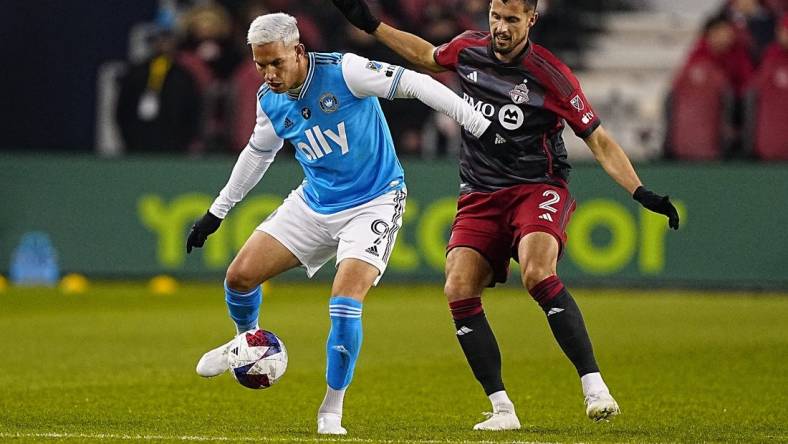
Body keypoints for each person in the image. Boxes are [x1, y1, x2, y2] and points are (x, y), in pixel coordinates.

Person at [332, 0, 680, 430]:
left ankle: (595, 387)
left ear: (531, 20)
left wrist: (640, 191)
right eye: (496, 17)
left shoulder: (552, 76)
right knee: (457, 287)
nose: (500, 27)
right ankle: (502, 409)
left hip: (537, 187)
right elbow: (426, 55)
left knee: (537, 274)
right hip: (480, 193)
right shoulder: (468, 49)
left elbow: (599, 140)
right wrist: (372, 25)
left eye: (511, 20)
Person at [185, 12, 504, 435]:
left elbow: (417, 83)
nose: (269, 74)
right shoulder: (269, 98)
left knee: (344, 301)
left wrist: (476, 122)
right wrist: (216, 212)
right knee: (239, 278)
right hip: (315, 203)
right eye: (261, 65)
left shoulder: (346, 71)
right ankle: (248, 342)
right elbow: (257, 154)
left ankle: (330, 411)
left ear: (298, 50)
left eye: (276, 63)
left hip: (373, 202)